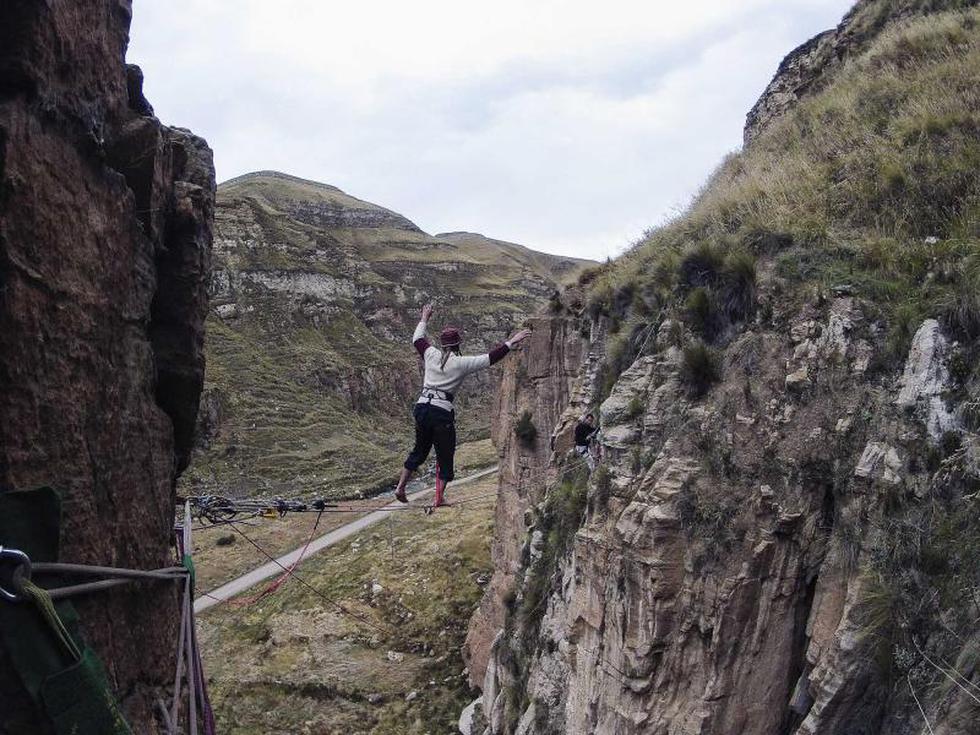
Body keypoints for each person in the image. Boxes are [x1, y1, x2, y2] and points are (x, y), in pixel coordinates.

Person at [395, 303, 531, 507]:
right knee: (445, 455)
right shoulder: (462, 363)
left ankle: (400, 487)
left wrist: (425, 317)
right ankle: (439, 498)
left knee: (419, 450)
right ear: (459, 344)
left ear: (442, 344)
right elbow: (490, 358)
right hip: (441, 412)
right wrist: (511, 342)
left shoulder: (431, 354)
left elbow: (417, 339)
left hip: (422, 407)